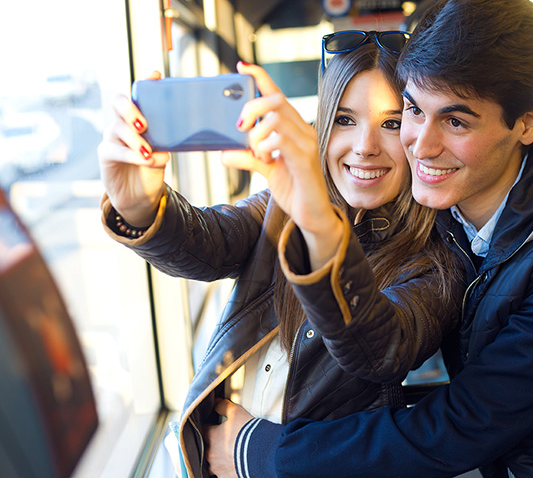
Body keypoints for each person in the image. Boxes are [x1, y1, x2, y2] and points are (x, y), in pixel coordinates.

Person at [210, 0, 533, 477]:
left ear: (526, 123)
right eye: (412, 111)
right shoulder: (446, 213)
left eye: (454, 120)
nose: (421, 146)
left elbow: (466, 423)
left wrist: (260, 451)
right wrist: (142, 205)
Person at [97, 33, 463, 478]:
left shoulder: (436, 261)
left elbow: (379, 350)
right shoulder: (278, 206)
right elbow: (206, 244)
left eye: (390, 124)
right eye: (345, 119)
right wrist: (139, 205)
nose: (366, 145)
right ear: (322, 127)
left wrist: (316, 221)